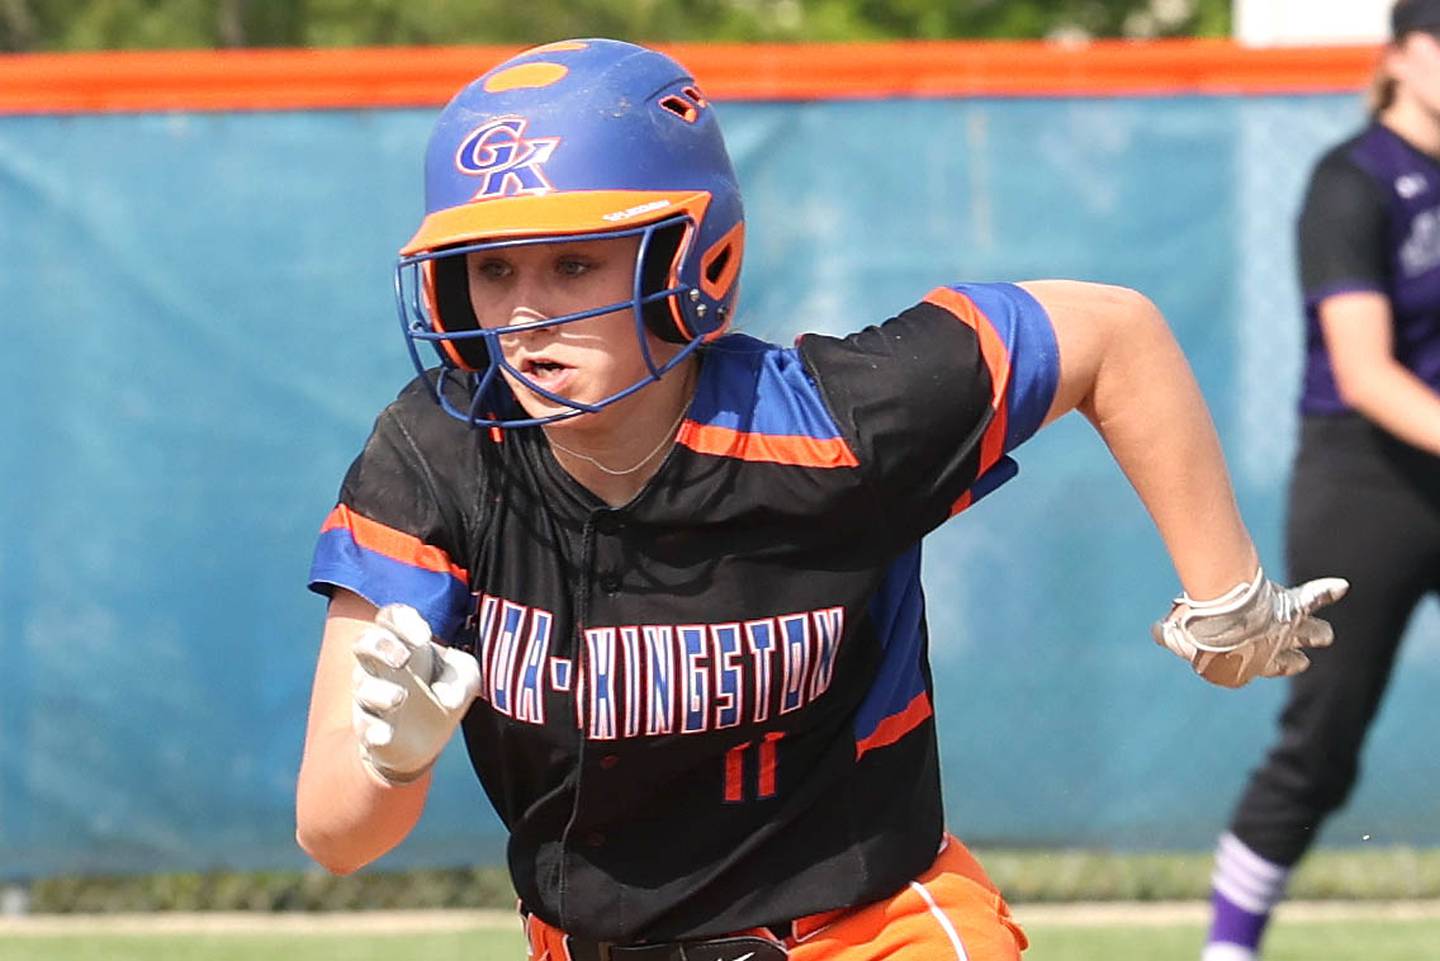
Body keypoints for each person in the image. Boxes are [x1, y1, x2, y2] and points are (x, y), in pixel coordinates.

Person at [295, 38, 1346, 961]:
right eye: (490, 270)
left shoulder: (835, 421)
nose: (523, 315)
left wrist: (1231, 595)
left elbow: (1113, 334)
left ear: (691, 257)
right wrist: (392, 759)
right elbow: (334, 835)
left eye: (574, 262)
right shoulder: (439, 457)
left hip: (869, 929)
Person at [1201, 3, 1440, 959]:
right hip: (1367, 484)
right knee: (1322, 742)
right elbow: (1366, 370)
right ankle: (1228, 947)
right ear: (1401, 56)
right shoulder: (1354, 179)